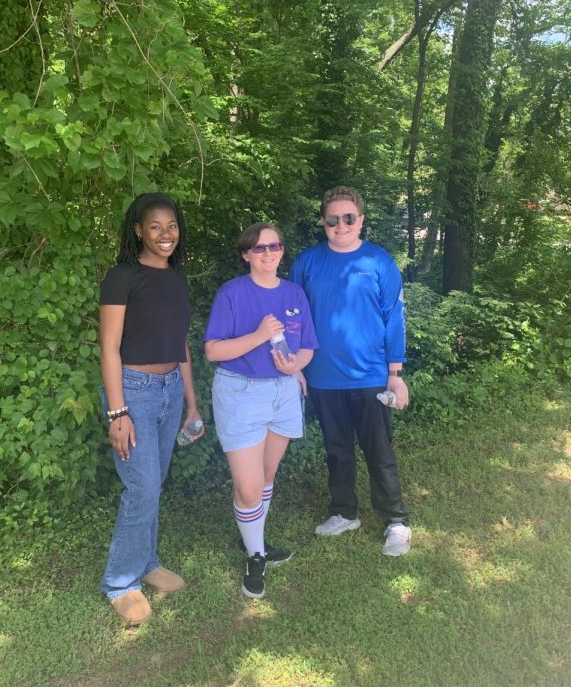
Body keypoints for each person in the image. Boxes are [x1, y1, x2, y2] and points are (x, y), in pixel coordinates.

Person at [99, 192, 204, 625]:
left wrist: (192, 401)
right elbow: (108, 347)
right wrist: (117, 412)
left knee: (154, 482)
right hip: (133, 390)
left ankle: (146, 563)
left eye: (172, 226)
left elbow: (180, 345)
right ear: (138, 230)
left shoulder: (177, 281)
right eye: (155, 227)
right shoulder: (122, 276)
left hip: (169, 388)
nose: (166, 235)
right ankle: (120, 582)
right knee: (141, 486)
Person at [289, 186, 411, 556]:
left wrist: (396, 373)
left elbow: (395, 319)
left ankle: (396, 521)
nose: (340, 225)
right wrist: (295, 366)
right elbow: (293, 317)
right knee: (336, 450)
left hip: (371, 376)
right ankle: (344, 512)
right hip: (322, 377)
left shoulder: (379, 261)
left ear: (361, 220)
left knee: (379, 451)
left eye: (348, 218)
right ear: (323, 221)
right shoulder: (306, 263)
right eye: (332, 219)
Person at [204, 223, 318, 599]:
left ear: (282, 250)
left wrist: (294, 368)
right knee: (249, 487)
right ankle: (255, 553)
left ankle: (257, 543)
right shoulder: (232, 293)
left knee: (267, 474)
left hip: (283, 393)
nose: (268, 253)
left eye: (275, 246)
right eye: (259, 248)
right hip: (240, 393)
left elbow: (307, 348)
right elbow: (213, 351)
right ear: (246, 254)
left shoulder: (294, 293)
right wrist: (257, 335)